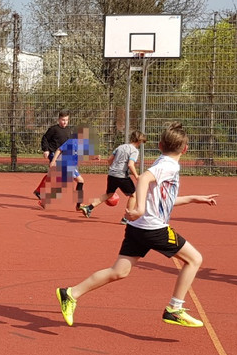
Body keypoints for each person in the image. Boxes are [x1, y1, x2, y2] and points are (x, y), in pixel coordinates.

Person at [56, 122, 218, 328]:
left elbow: (163, 200)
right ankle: (174, 309)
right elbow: (143, 179)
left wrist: (194, 198)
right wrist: (140, 208)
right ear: (185, 149)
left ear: (160, 145)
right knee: (194, 259)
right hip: (153, 228)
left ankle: (71, 293)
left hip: (138, 228)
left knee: (119, 271)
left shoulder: (162, 161)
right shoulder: (169, 165)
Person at [79, 130, 147, 224]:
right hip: (121, 176)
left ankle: (89, 207)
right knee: (133, 195)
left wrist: (114, 168)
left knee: (109, 194)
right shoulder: (134, 151)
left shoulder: (120, 147)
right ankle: (126, 218)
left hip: (111, 174)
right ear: (139, 141)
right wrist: (137, 176)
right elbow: (130, 165)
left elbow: (109, 159)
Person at [40, 126, 95, 210]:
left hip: (71, 166)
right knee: (78, 182)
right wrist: (53, 161)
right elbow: (59, 150)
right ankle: (78, 205)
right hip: (65, 164)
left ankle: (45, 200)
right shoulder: (72, 141)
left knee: (65, 185)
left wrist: (93, 157)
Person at [33, 110, 74, 208]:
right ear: (59, 119)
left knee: (51, 175)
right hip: (53, 154)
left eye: (66, 120)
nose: (64, 122)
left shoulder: (69, 131)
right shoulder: (53, 129)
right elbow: (45, 139)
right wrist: (46, 150)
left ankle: (39, 191)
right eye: (63, 120)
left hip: (63, 156)